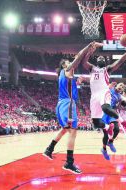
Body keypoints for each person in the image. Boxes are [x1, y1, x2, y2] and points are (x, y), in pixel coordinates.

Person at [43, 42, 100, 174]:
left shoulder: (68, 77)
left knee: (65, 129)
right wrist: (88, 47)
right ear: (64, 65)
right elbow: (79, 57)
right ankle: (69, 163)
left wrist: (78, 82)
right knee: (73, 132)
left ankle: (49, 149)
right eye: (68, 62)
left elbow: (71, 86)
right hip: (67, 104)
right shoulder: (66, 70)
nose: (71, 64)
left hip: (62, 104)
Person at [81, 37, 126, 158]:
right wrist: (90, 51)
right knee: (95, 123)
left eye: (102, 58)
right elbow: (83, 62)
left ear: (104, 62)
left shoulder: (107, 69)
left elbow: (119, 61)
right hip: (94, 96)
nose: (100, 58)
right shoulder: (92, 68)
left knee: (106, 108)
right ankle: (105, 138)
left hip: (104, 93)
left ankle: (123, 123)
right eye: (98, 57)